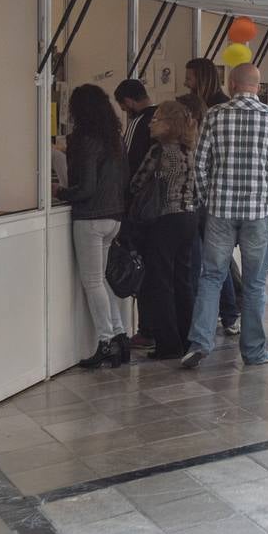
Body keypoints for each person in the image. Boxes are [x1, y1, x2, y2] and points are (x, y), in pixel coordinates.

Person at [181, 63, 268, 369]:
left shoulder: (215, 116)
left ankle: (200, 342)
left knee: (211, 277)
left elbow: (199, 164)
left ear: (231, 84)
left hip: (220, 211)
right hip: (257, 213)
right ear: (257, 87)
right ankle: (254, 350)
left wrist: (207, 197)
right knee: (256, 284)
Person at [55, 84, 129, 369]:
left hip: (90, 218)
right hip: (114, 217)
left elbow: (85, 188)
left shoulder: (84, 139)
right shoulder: (114, 138)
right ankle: (120, 335)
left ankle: (106, 340)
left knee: (93, 282)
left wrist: (60, 192)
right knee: (102, 279)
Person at [129, 101, 198, 359]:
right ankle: (186, 337)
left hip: (164, 220)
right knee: (182, 281)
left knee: (160, 283)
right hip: (187, 218)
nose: (150, 122)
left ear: (169, 123)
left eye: (156, 119)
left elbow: (137, 183)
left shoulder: (159, 151)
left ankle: (168, 344)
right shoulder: (188, 150)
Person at [183, 57, 241, 333]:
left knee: (214, 260)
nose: (186, 83)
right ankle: (228, 313)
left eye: (190, 78)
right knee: (217, 260)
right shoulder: (215, 106)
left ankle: (224, 314)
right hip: (213, 196)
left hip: (211, 198)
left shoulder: (216, 110)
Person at [113, 78, 157, 349]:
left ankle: (146, 328)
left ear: (127, 103)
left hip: (140, 210)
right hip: (164, 211)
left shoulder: (137, 124)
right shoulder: (161, 118)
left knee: (144, 270)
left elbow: (127, 166)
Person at [113, 79, 157, 183]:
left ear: (128, 101)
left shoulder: (138, 122)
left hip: (140, 188)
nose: (127, 114)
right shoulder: (162, 116)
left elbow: (126, 160)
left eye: (125, 109)